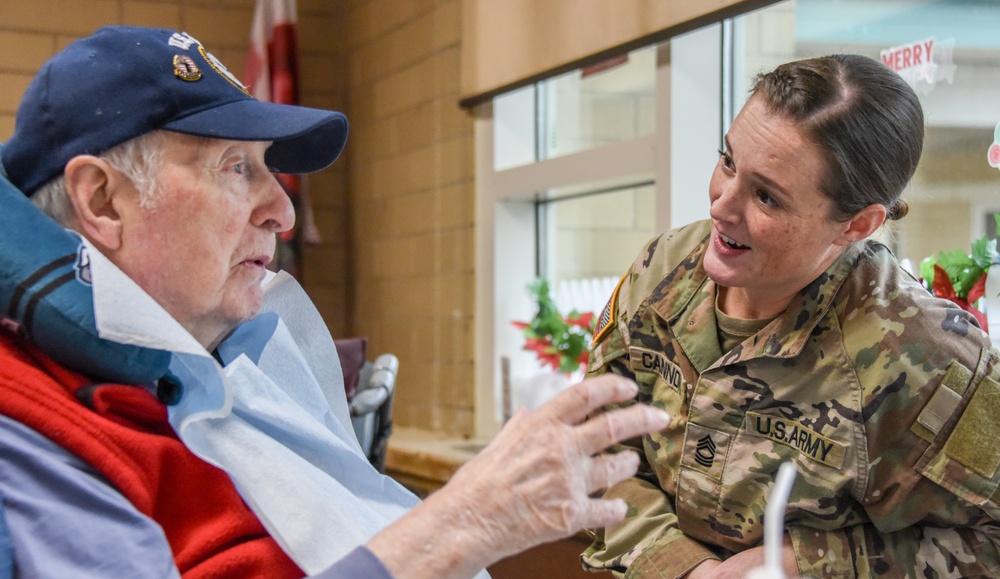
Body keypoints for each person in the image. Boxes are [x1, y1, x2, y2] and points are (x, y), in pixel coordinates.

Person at [0, 26, 671, 578]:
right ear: (102, 201)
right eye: (238, 166)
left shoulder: (206, 361)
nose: (284, 211)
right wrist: (466, 521)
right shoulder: (30, 432)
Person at [581, 53, 1000, 578]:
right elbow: (593, 447)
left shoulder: (922, 356)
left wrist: (807, 565)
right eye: (727, 161)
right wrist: (682, 567)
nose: (720, 206)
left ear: (856, 224)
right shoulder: (662, 270)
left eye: (766, 197)